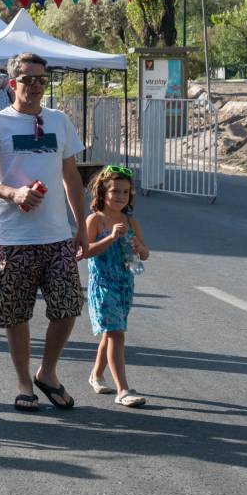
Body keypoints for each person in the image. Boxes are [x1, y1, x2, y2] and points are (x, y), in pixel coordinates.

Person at [0, 52, 88, 413]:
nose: (35, 86)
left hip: (56, 236)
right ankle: (24, 382)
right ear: (12, 83)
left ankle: (47, 372)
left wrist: (80, 227)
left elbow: (71, 177)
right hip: (13, 239)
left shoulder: (59, 121)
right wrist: (13, 193)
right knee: (16, 314)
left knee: (68, 307)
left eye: (40, 79)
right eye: (27, 79)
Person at [83, 166, 150, 408]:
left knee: (112, 332)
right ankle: (123, 390)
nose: (120, 196)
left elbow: (145, 253)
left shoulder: (130, 221)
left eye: (125, 192)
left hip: (125, 285)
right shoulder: (95, 220)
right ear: (102, 192)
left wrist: (138, 248)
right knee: (116, 334)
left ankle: (96, 375)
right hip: (102, 285)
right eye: (114, 191)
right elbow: (84, 252)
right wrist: (110, 237)